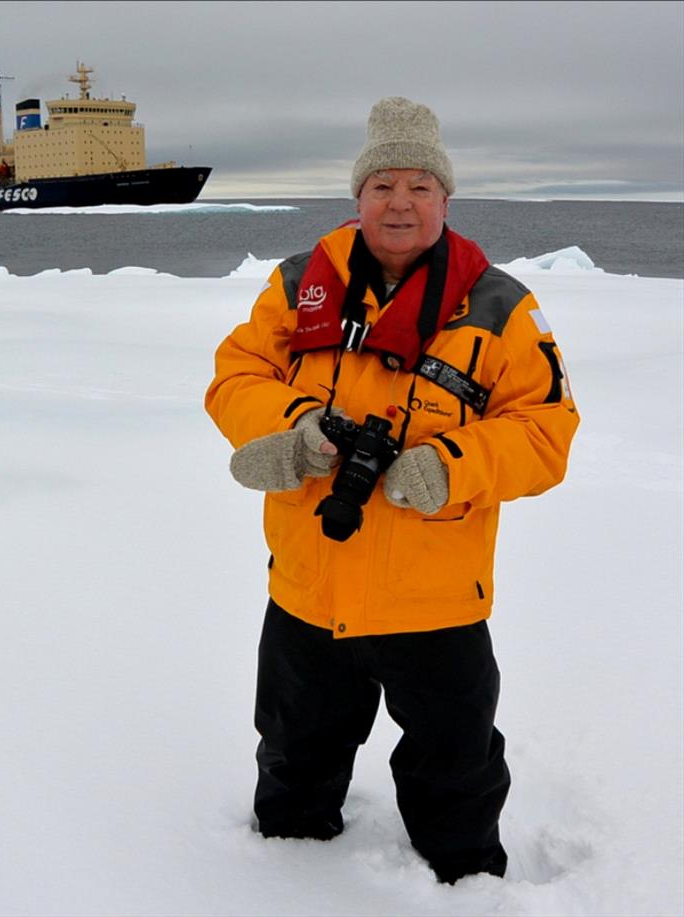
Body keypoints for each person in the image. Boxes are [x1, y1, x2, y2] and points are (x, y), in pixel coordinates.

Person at [204, 97, 579, 885]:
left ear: (446, 198)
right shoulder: (300, 284)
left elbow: (547, 429)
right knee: (294, 757)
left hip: (433, 595)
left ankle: (467, 887)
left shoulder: (503, 307)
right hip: (310, 583)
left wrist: (452, 466)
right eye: (382, 185)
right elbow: (236, 375)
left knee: (456, 771)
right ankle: (276, 885)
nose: (399, 202)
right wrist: (291, 430)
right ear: (358, 197)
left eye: (418, 185)